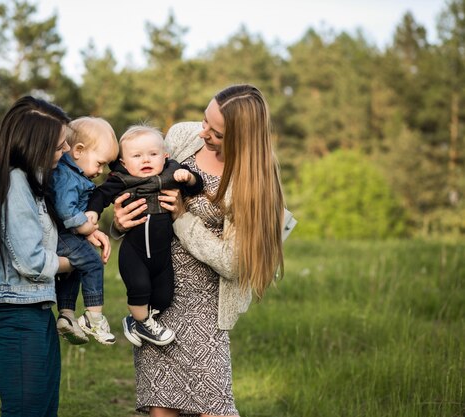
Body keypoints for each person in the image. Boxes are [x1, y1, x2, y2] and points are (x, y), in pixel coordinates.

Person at [112, 85, 295, 416]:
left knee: (213, 407)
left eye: (217, 132)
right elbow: (137, 179)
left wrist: (181, 218)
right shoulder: (183, 136)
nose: (204, 132)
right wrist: (120, 223)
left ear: (242, 139)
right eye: (205, 120)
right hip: (158, 293)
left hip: (207, 306)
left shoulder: (255, 181)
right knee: (161, 406)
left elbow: (234, 262)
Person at [0, 96, 110, 417]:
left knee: (43, 408)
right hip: (15, 313)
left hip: (33, 307)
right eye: (58, 147)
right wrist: (81, 260)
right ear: (31, 146)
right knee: (26, 410)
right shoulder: (13, 185)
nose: (67, 151)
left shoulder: (31, 180)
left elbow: (52, 230)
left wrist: (87, 232)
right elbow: (31, 261)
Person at [87, 124, 203, 347]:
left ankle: (136, 321)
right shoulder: (122, 179)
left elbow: (197, 186)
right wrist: (92, 212)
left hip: (162, 255)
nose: (146, 160)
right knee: (139, 287)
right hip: (135, 252)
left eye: (153, 154)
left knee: (164, 297)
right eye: (137, 156)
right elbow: (100, 195)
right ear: (124, 163)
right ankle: (142, 322)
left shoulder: (171, 174)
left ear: (165, 156)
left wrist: (188, 178)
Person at [50, 116, 119, 346]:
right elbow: (63, 207)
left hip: (66, 234)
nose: (100, 171)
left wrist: (87, 232)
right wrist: (84, 225)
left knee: (76, 269)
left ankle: (67, 314)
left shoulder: (74, 174)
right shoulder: (67, 176)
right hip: (61, 235)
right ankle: (94, 317)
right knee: (92, 263)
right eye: (100, 163)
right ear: (78, 151)